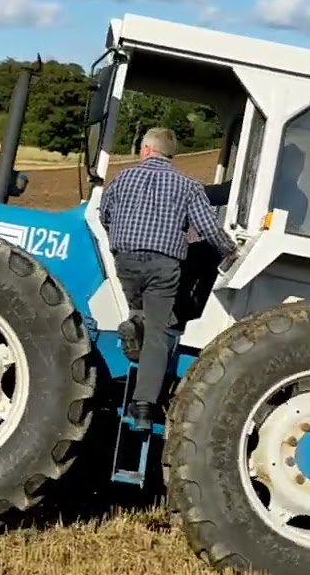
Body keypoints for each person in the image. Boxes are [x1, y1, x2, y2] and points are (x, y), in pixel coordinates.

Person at [99, 127, 238, 430]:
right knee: (159, 334)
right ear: (169, 154)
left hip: (126, 261)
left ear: (146, 150)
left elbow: (104, 215)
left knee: (139, 309)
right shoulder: (187, 186)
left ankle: (134, 321)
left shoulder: (122, 178)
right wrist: (231, 250)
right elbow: (208, 228)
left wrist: (120, 240)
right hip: (164, 266)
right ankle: (144, 408)